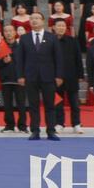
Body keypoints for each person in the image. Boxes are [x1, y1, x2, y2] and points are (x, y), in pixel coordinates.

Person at [15, 10, 59, 141]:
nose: (34, 20)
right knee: (33, 105)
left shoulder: (52, 37)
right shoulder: (24, 38)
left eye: (37, 18)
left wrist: (59, 75)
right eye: (32, 18)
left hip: (48, 76)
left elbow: (58, 58)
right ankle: (35, 130)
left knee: (50, 105)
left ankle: (51, 131)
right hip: (30, 76)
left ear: (43, 21)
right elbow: (20, 59)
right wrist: (20, 75)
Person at [50, 17, 83, 134]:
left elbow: (78, 58)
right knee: (58, 103)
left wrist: (80, 74)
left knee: (74, 102)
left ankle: (76, 124)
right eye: (59, 26)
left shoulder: (72, 41)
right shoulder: (50, 40)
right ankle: (59, 123)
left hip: (71, 75)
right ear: (53, 27)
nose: (61, 28)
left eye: (63, 26)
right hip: (55, 77)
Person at [0, 24, 24, 133]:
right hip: (5, 79)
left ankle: (22, 126)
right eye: (6, 31)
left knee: (22, 104)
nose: (8, 33)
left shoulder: (21, 46)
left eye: (10, 31)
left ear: (15, 32)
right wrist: (3, 61)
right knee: (7, 104)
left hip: (19, 79)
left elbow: (26, 61)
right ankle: (9, 125)